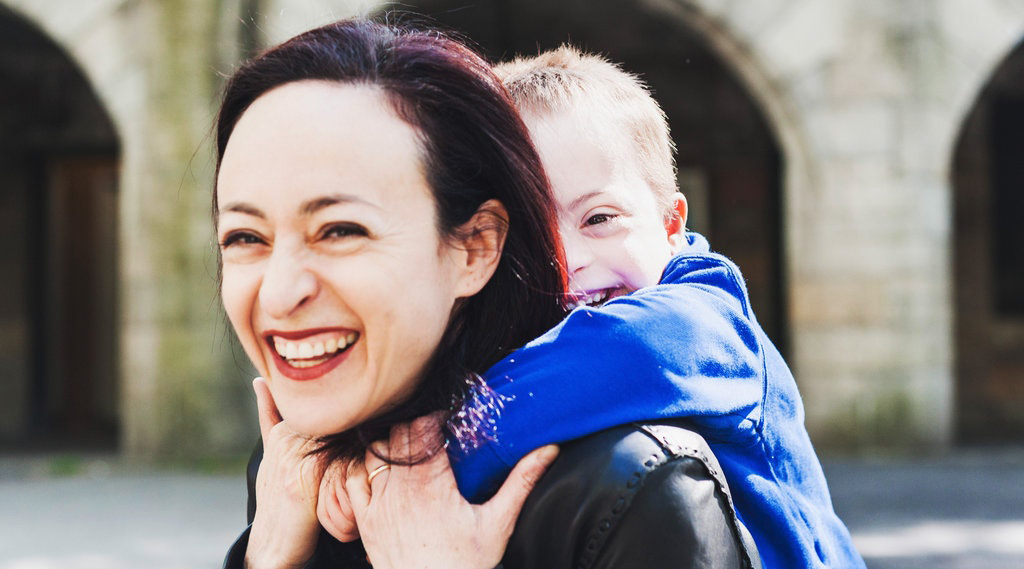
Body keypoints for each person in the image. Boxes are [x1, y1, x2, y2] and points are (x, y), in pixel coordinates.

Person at [215, 18, 757, 569]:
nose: (281, 293)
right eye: (244, 237)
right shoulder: (292, 461)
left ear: (476, 248)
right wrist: (264, 555)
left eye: (341, 231)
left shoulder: (636, 486)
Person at [446, 47, 866, 569]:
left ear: (671, 225)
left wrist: (406, 460)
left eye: (599, 218)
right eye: (530, 235)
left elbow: (615, 352)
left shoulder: (701, 319)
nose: (566, 261)